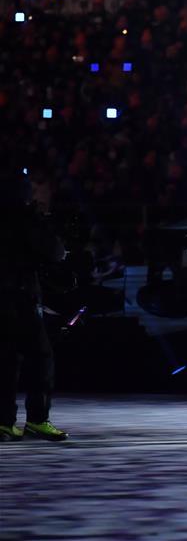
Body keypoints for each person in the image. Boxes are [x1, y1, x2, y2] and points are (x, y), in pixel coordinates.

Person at [0, 167, 69, 442]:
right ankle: (38, 420)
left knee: (5, 360)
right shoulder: (25, 217)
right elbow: (54, 251)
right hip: (20, 295)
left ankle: (3, 422)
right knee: (41, 357)